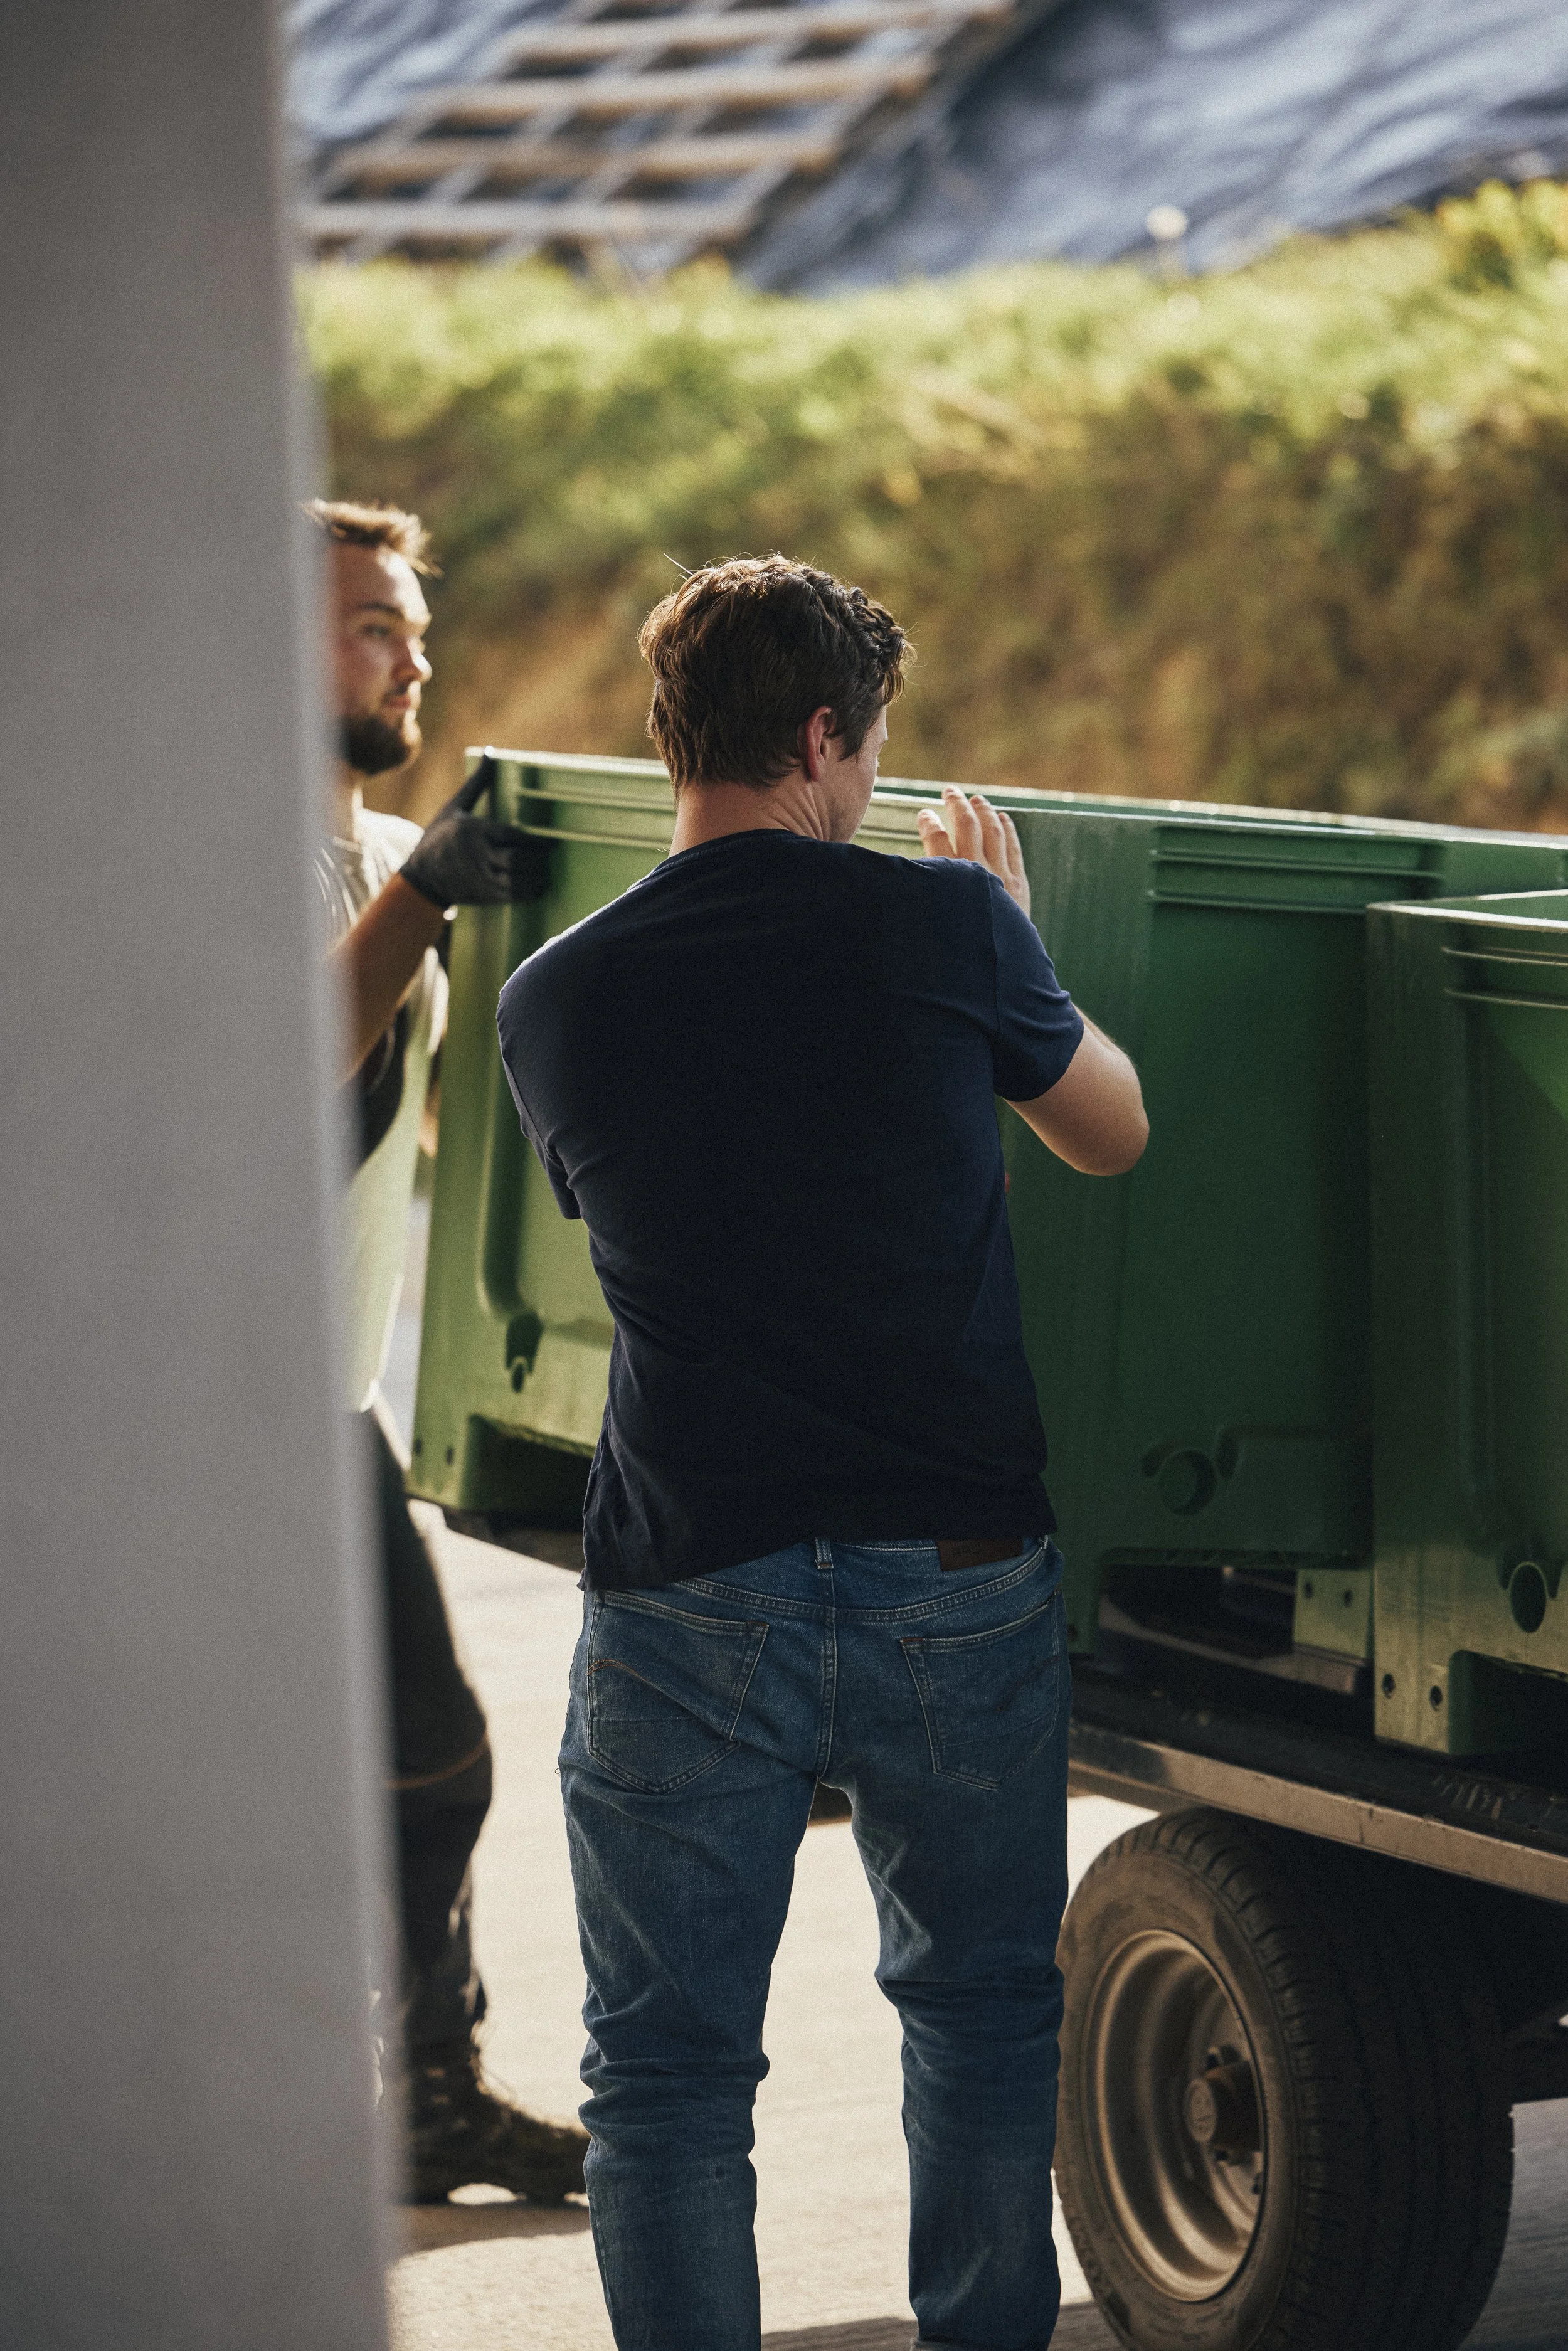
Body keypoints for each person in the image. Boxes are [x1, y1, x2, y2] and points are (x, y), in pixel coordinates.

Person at [494, 554, 1148, 2348]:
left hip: (688, 1573)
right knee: (980, 2015)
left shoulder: (555, 995)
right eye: (866, 752)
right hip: (952, 1567)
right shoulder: (943, 930)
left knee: (668, 2070)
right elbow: (1109, 1129)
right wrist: (1008, 942)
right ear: (817, 734)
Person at [307, 497, 588, 2205]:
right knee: (422, 1751)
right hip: (210, 1407)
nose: (411, 654)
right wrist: (420, 895)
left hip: (325, 1396)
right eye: (367, 625)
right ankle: (404, 2087)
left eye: (414, 625)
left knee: (412, 1758)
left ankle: (416, 2084)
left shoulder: (383, 844)